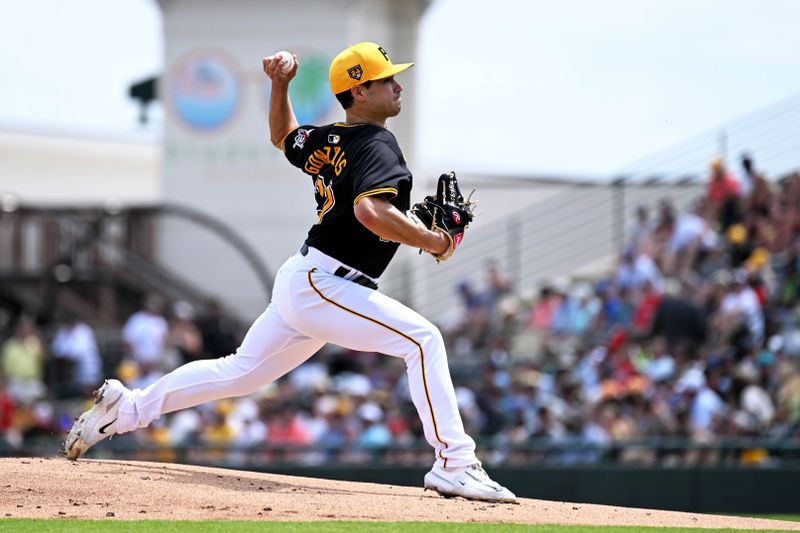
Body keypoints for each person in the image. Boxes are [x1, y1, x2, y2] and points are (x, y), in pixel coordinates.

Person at [64, 41, 515, 503]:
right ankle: (456, 464)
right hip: (327, 284)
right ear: (358, 92)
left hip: (309, 280)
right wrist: (437, 240)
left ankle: (128, 408)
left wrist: (279, 86)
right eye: (386, 80)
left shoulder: (331, 138)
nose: (398, 85)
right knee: (424, 340)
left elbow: (284, 136)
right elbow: (369, 212)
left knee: (239, 373)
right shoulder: (379, 142)